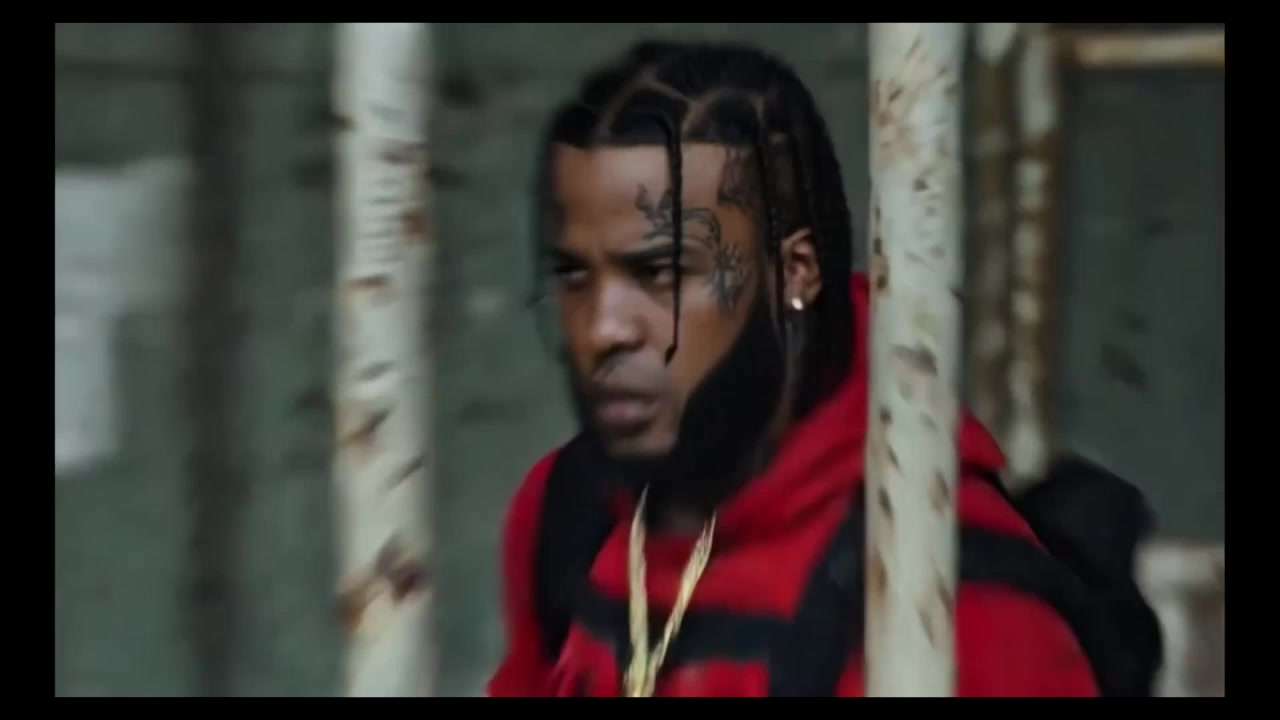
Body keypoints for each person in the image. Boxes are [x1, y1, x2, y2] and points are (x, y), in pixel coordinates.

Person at [487, 40, 1156, 698]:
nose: (603, 329)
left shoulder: (944, 604)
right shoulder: (568, 511)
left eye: (659, 272)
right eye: (575, 276)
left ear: (794, 272)